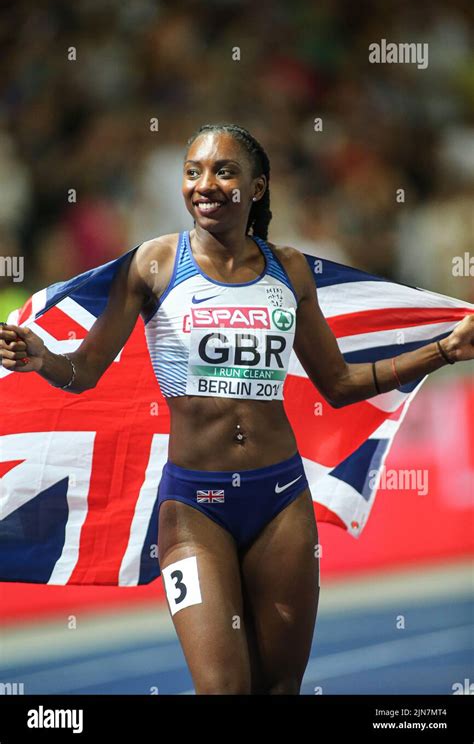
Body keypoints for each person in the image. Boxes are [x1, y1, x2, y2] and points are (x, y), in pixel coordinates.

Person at [1, 123, 473, 695]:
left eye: (224, 171)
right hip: (192, 509)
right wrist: (43, 357)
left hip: (280, 502)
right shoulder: (153, 264)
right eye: (194, 171)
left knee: (279, 687)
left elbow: (341, 383)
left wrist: (445, 350)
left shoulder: (289, 269)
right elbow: (85, 372)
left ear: (257, 186)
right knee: (222, 688)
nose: (205, 184)